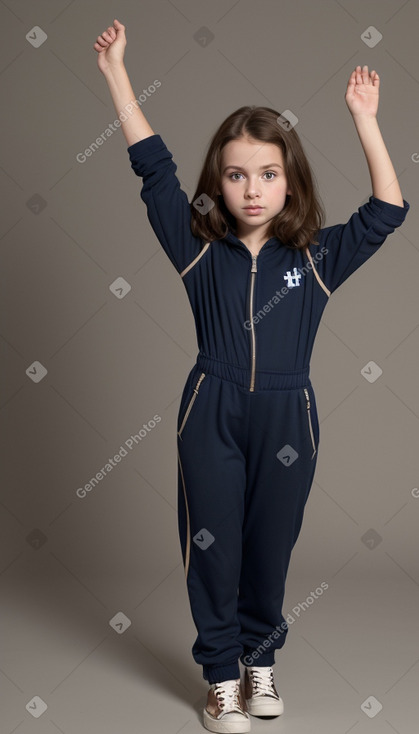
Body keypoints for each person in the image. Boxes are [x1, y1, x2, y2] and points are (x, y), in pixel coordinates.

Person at [94, 19, 410, 734]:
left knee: (270, 543)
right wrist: (117, 73)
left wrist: (364, 120)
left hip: (287, 416)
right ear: (219, 183)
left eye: (268, 173)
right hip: (210, 410)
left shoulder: (317, 259)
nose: (252, 189)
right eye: (235, 175)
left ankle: (260, 665)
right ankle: (219, 681)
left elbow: (388, 209)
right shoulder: (197, 245)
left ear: (289, 179)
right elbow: (152, 167)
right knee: (210, 540)